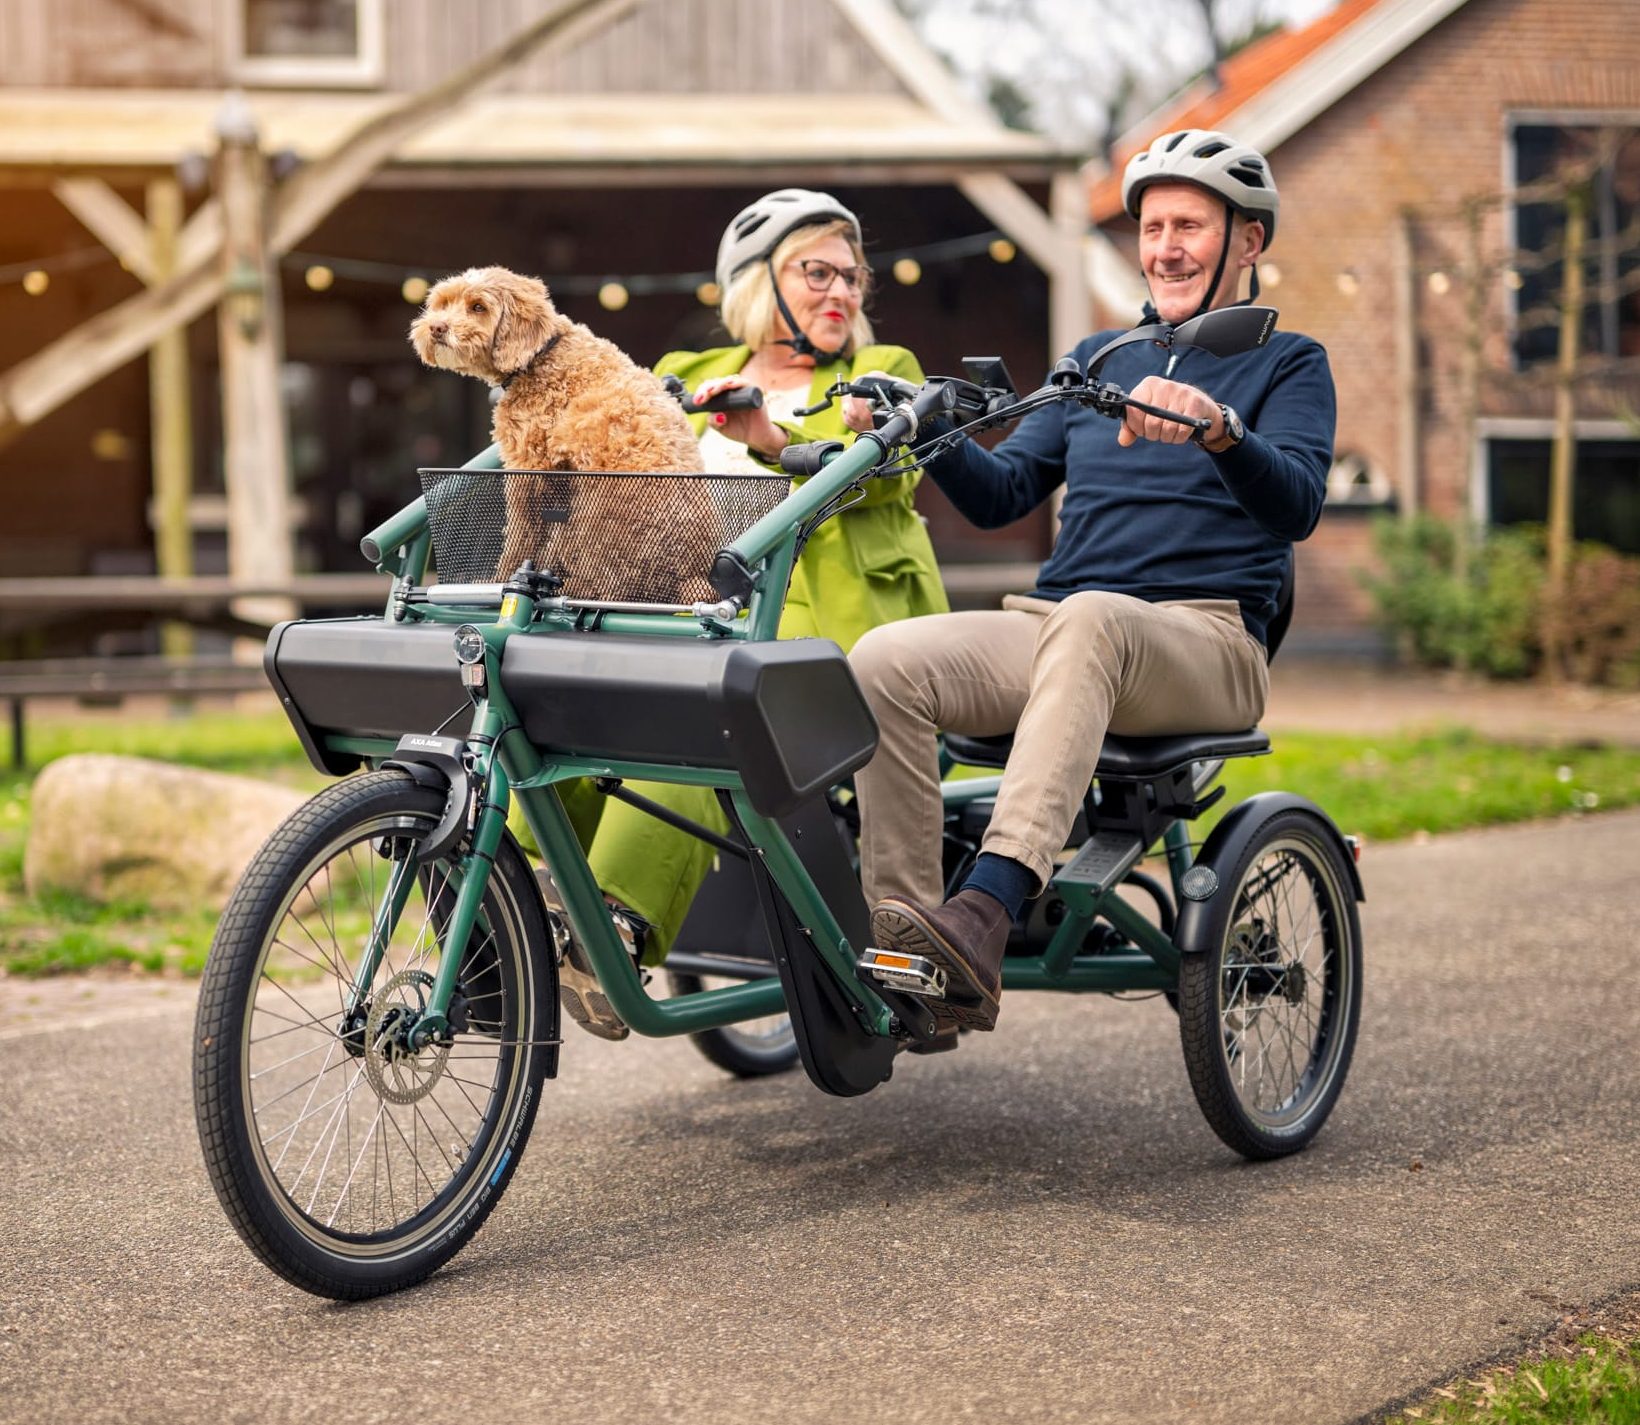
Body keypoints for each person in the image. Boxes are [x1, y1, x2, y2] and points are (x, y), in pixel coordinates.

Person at [850, 129, 1336, 1035]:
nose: (1166, 248)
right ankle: (917, 949)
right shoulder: (1100, 359)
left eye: (1190, 225)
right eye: (1153, 228)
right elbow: (1002, 494)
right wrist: (920, 429)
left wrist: (1221, 429)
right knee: (884, 659)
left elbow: (1300, 503)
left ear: (1249, 240)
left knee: (1093, 618)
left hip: (1208, 639)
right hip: (1064, 625)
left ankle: (986, 910)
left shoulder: (1290, 361)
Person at [552, 188, 949, 1040]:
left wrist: (773, 439)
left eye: (852, 275)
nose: (842, 290)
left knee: (705, 724)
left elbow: (891, 475)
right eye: (818, 272)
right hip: (689, 615)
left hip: (829, 630)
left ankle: (614, 928)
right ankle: (522, 896)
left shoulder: (882, 370)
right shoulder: (686, 371)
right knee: (569, 708)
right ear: (761, 281)